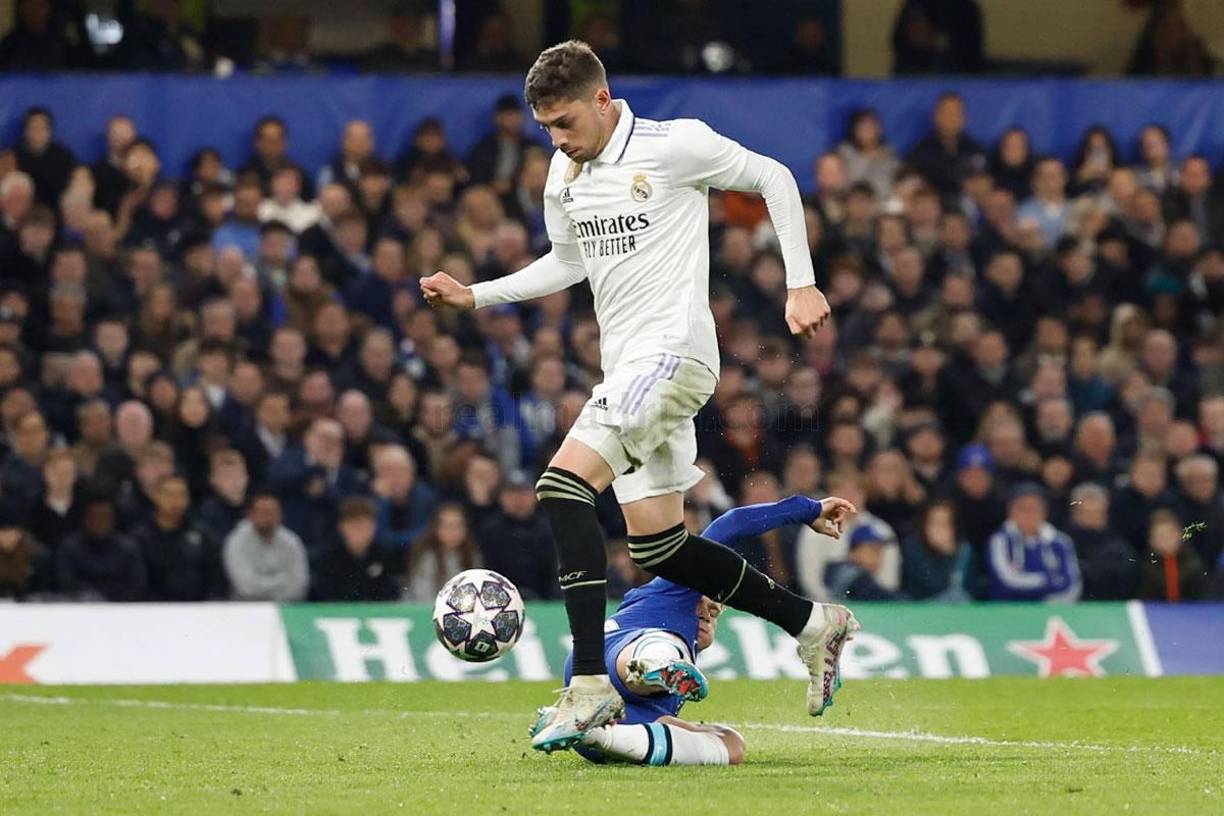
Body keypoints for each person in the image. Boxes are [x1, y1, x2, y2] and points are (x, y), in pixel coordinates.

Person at [420, 40, 849, 752]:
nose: (556, 140)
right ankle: (812, 624)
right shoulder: (564, 173)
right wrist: (476, 295)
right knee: (661, 548)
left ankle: (590, 684)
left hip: (672, 356)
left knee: (561, 488)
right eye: (545, 128)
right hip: (628, 370)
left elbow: (772, 176)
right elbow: (566, 262)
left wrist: (799, 283)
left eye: (564, 123)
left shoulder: (674, 146)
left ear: (601, 99)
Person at [548, 492, 858, 764]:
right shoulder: (678, 584)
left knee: (731, 744)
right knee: (662, 645)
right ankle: (654, 663)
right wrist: (808, 509)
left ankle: (592, 733)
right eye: (706, 605)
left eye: (714, 613)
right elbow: (733, 523)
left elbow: (663, 718)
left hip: (624, 716)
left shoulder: (688, 659)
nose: (707, 615)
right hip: (606, 658)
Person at [986, 483, 1081, 601]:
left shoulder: (1060, 541)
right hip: (1008, 607)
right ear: (1010, 511)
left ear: (1044, 512)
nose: (1029, 514)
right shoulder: (1000, 540)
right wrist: (1048, 581)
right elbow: (1005, 581)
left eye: (1035, 508)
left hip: (1051, 607)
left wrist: (1050, 604)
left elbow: (1072, 584)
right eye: (1023, 509)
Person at [221, 489, 309, 601]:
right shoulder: (236, 542)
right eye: (264, 512)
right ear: (250, 515)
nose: (269, 517)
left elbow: (299, 584)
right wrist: (282, 581)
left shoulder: (292, 542)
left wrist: (264, 587)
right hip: (246, 607)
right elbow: (245, 587)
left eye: (274, 512)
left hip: (286, 605)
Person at [314, 496, 400, 601]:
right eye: (355, 526)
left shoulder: (384, 555)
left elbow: (391, 592)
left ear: (374, 527)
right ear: (342, 527)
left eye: (365, 526)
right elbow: (323, 593)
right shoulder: (328, 557)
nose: (360, 532)